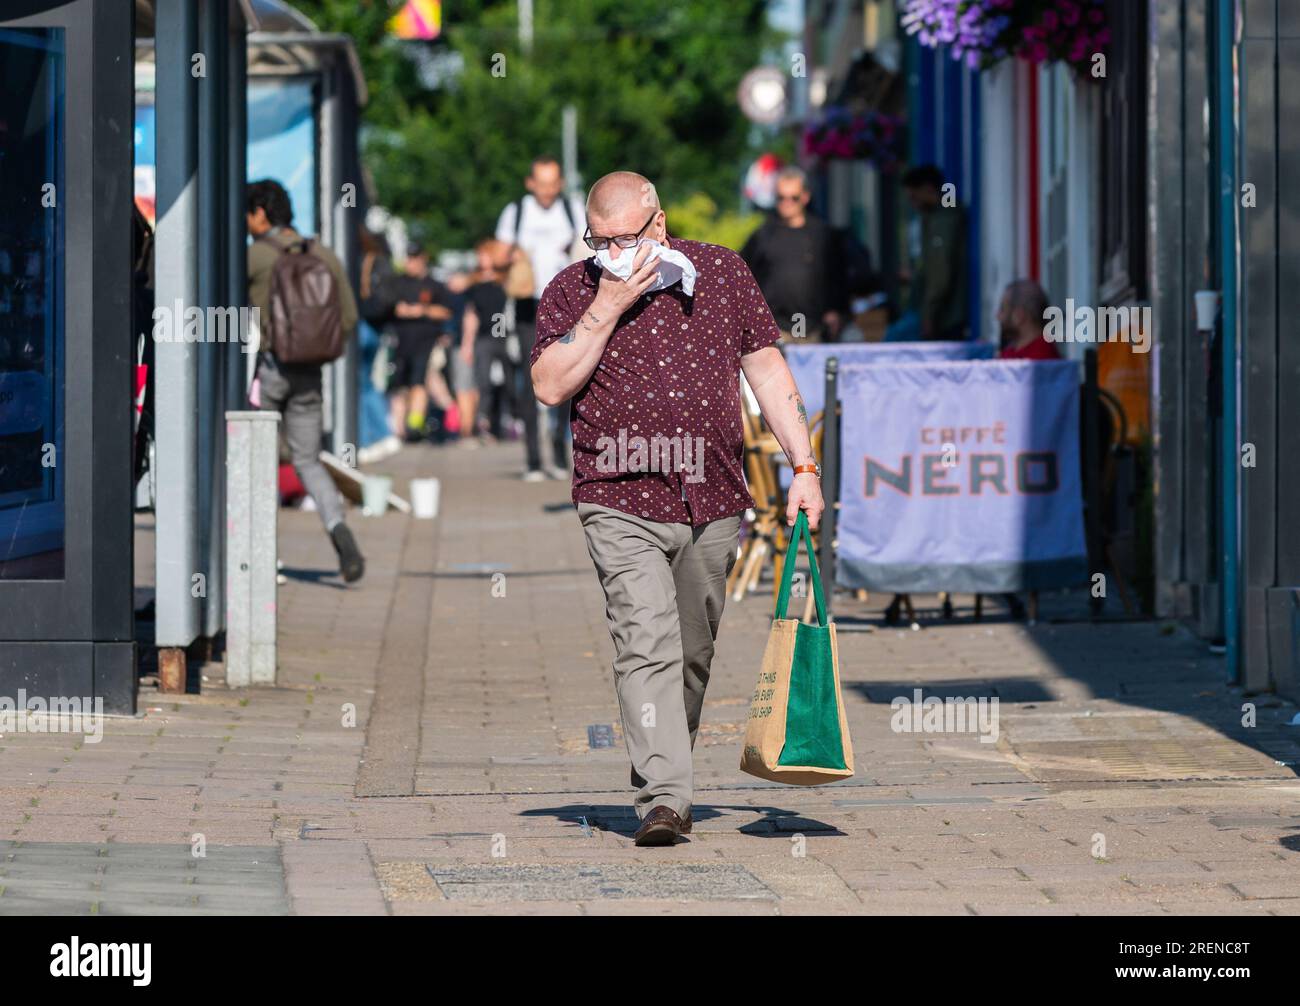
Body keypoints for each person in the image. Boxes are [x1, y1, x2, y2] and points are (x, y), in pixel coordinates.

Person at [530, 171, 824, 847]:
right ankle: (664, 797)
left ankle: (670, 760)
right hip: (618, 495)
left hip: (714, 498)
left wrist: (803, 468)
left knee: (691, 652)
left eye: (623, 239)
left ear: (658, 226)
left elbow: (769, 373)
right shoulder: (574, 290)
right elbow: (549, 385)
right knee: (645, 641)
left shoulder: (723, 274)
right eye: (597, 241)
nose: (610, 253)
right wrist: (606, 305)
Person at [246, 179, 364, 583]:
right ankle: (338, 530)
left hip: (267, 370)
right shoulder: (324, 255)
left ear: (260, 213)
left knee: (256, 461)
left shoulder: (256, 257)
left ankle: (264, 557)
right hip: (309, 374)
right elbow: (347, 317)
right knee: (308, 460)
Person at [496, 155, 586, 481]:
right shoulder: (516, 212)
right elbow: (498, 257)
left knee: (566, 376)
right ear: (530, 183)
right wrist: (511, 255)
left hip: (566, 304)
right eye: (542, 184)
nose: (548, 191)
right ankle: (533, 459)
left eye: (553, 184)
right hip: (526, 303)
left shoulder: (573, 210)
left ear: (559, 183)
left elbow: (587, 249)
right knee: (528, 376)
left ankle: (560, 456)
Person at [740, 166, 847, 343]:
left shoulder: (822, 234)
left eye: (793, 198)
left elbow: (838, 275)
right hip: (773, 326)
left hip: (811, 325)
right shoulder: (763, 235)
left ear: (805, 197)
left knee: (807, 369)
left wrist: (836, 310)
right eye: (781, 198)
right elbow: (743, 273)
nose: (787, 203)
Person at [887, 164, 968, 342]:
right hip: (937, 313)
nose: (912, 203)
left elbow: (940, 272)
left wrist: (929, 316)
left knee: (893, 340)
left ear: (928, 189)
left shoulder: (944, 220)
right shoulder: (932, 217)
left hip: (945, 316)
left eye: (914, 197)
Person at [386, 241, 453, 441]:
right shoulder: (398, 283)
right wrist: (399, 310)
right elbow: (387, 307)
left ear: (423, 259)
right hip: (400, 342)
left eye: (414, 258)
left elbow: (446, 312)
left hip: (425, 342)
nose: (410, 263)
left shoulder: (435, 285)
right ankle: (397, 431)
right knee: (398, 387)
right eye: (408, 258)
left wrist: (421, 311)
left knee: (418, 383)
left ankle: (414, 427)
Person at [456, 238, 513, 444]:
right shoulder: (475, 285)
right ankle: (484, 424)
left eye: (485, 255)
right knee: (484, 382)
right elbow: (471, 316)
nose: (482, 259)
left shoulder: (506, 280)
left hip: (505, 337)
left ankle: (504, 423)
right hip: (484, 337)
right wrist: (467, 344)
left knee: (508, 382)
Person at [998, 278, 1059, 360]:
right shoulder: (1012, 352)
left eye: (1003, 309)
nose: (997, 316)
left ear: (1019, 315)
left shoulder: (1040, 360)